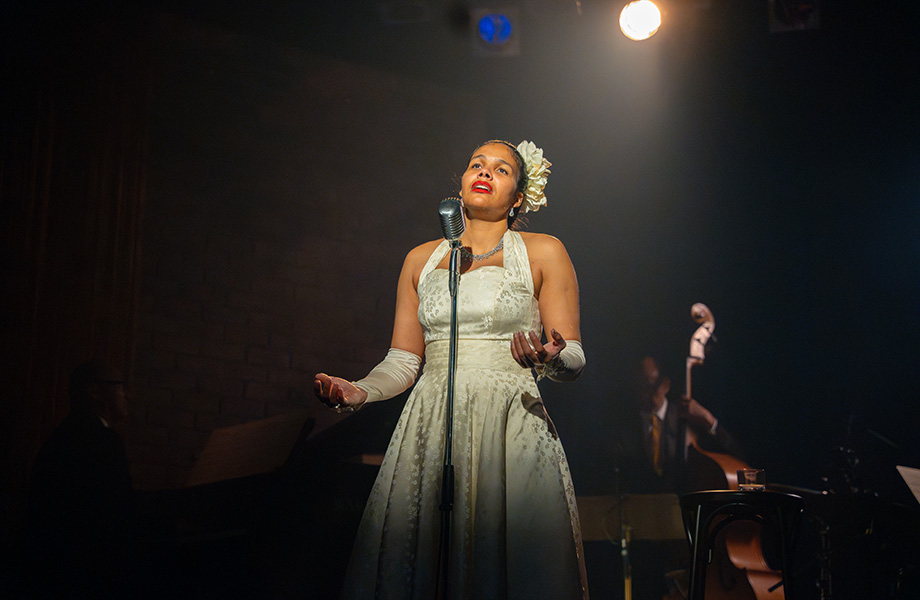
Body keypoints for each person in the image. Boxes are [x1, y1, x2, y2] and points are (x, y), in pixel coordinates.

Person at [314, 140, 589, 599]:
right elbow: (404, 360)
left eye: (502, 170)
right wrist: (359, 390)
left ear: (518, 197)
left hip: (511, 424)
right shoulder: (420, 259)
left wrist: (551, 356)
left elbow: (574, 357)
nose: (485, 172)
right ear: (461, 185)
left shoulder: (545, 251)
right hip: (432, 422)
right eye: (476, 164)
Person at [22, 360, 139, 598]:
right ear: (94, 391)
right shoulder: (100, 440)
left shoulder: (66, 434)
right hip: (83, 571)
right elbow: (117, 510)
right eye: (120, 386)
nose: (127, 395)